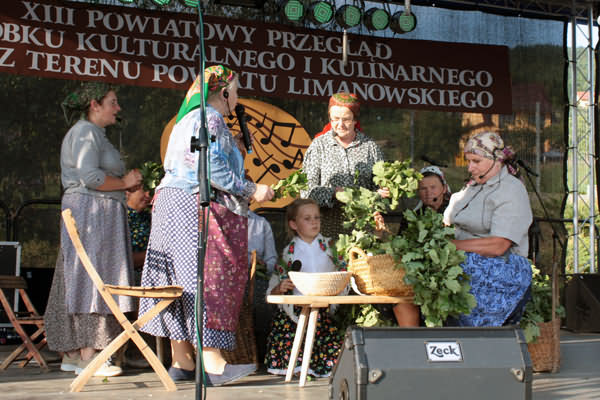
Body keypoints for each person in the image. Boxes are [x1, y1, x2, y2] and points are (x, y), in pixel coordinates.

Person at [137, 65, 274, 386]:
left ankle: (182, 360)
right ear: (223, 92)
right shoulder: (210, 118)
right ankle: (213, 363)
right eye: (236, 92)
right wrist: (252, 189)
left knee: (176, 281)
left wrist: (232, 145)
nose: (237, 99)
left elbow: (200, 157)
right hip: (190, 203)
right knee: (202, 277)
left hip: (169, 202)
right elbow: (208, 166)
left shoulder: (189, 119)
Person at [45, 82, 142, 377]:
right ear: (94, 105)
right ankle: (90, 355)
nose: (118, 108)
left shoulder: (93, 133)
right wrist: (124, 183)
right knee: (92, 278)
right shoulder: (85, 132)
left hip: (97, 209)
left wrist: (123, 186)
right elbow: (90, 176)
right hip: (92, 211)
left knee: (81, 277)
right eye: (112, 102)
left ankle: (75, 352)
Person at [443, 131, 533, 327]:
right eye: (468, 161)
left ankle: (476, 331)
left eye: (476, 161)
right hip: (462, 257)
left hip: (502, 267)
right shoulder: (471, 188)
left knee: (459, 268)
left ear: (496, 160)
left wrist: (451, 246)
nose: (470, 167)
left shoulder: (511, 190)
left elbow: (499, 245)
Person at [264, 198, 345, 377]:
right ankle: (296, 364)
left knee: (329, 338)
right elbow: (273, 289)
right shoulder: (289, 254)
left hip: (322, 311)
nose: (314, 222)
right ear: (294, 224)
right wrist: (281, 287)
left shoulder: (331, 248)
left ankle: (319, 364)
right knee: (291, 330)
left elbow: (344, 270)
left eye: (317, 217)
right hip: (296, 313)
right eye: (307, 218)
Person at [301, 92, 388, 239]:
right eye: (335, 119)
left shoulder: (370, 147)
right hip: (326, 230)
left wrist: (381, 193)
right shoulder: (319, 146)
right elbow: (306, 192)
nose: (340, 125)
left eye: (346, 119)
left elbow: (380, 188)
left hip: (361, 231)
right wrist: (333, 193)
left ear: (355, 120)